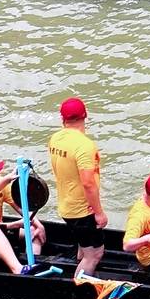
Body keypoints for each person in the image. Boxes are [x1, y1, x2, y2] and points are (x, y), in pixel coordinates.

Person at [47, 97, 105, 278]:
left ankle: (80, 264)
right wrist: (99, 212)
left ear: (62, 119)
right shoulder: (84, 145)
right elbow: (88, 183)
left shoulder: (55, 139)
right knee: (94, 254)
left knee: (83, 246)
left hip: (66, 205)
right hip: (82, 210)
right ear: (85, 115)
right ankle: (78, 287)